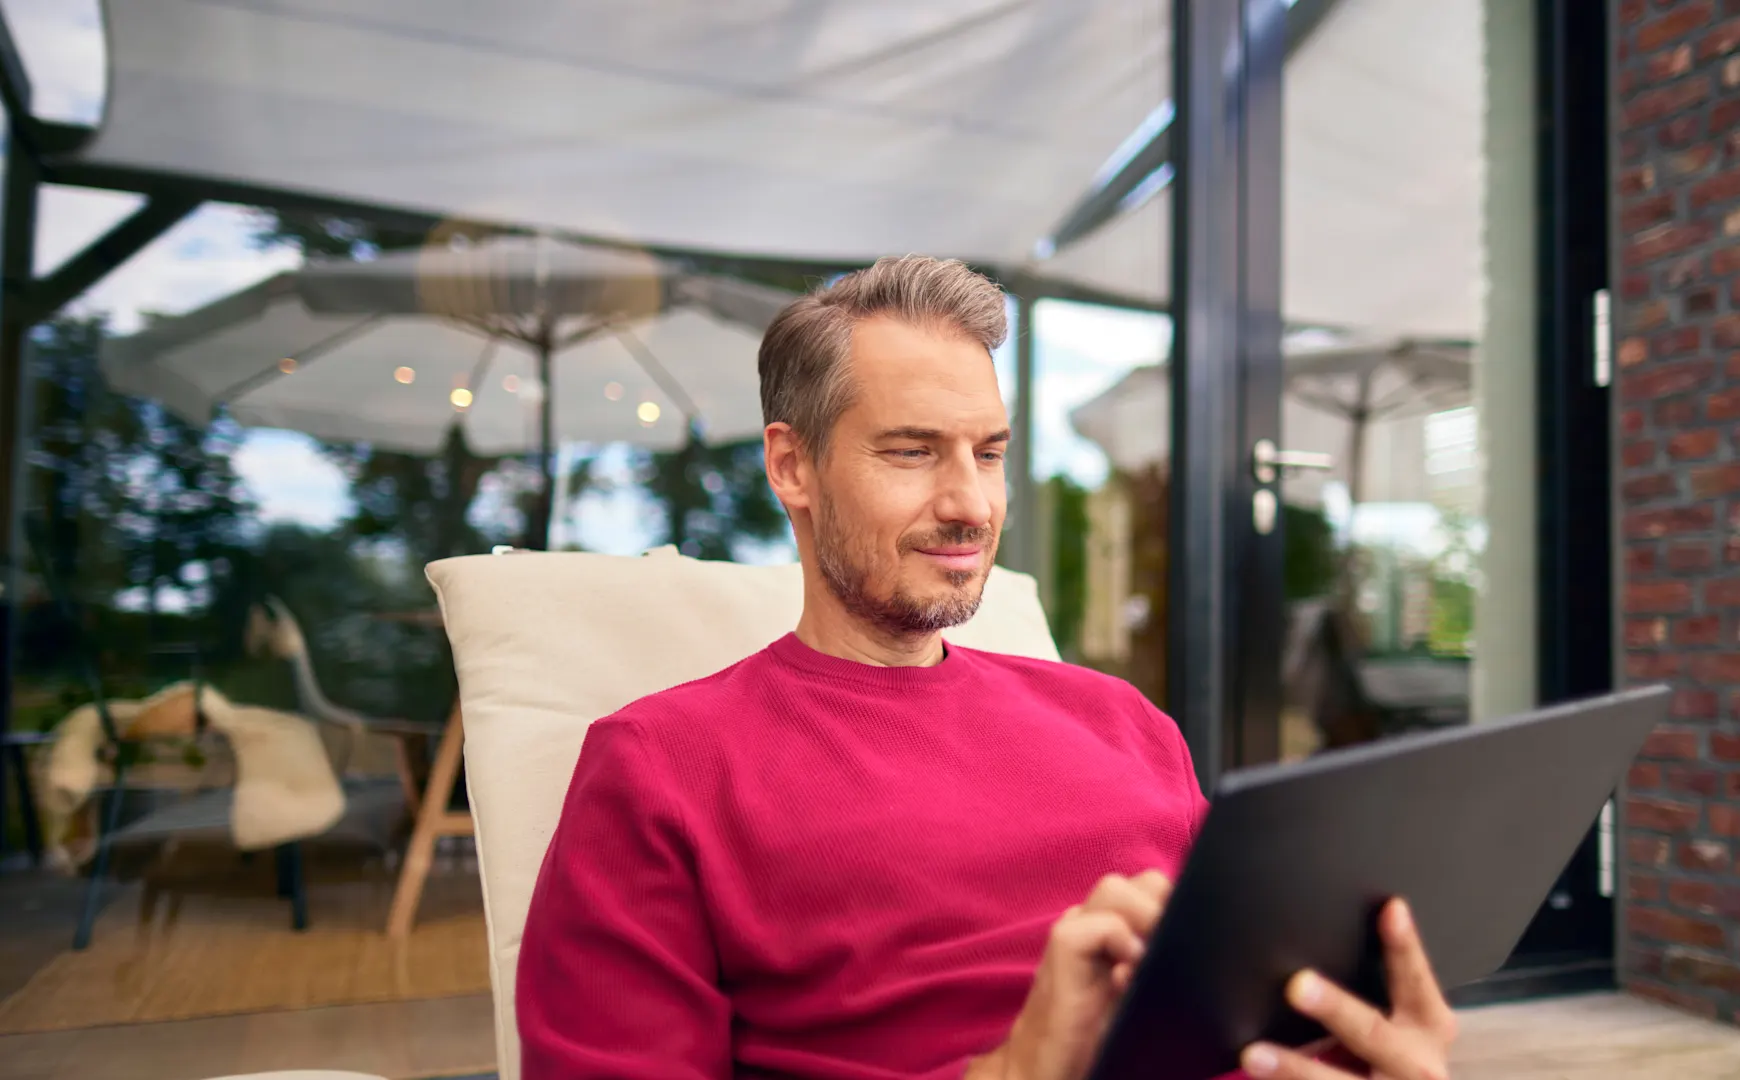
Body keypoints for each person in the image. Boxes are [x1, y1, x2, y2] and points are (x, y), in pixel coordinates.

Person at [516, 256, 1458, 1080]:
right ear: (792, 467)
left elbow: (1246, 992)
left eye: (991, 452)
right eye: (912, 452)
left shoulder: (1122, 722)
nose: (971, 504)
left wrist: (1360, 1046)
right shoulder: (660, 769)